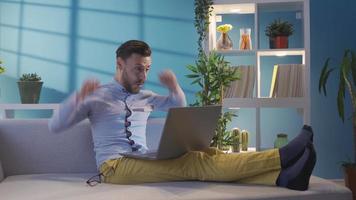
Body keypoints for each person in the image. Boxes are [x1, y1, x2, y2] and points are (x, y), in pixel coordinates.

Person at [49, 40, 316, 191]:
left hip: (142, 158)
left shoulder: (146, 96)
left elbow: (177, 105)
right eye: (138, 69)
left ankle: (284, 179)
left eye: (147, 69)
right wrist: (78, 97)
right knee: (194, 163)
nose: (144, 76)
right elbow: (56, 126)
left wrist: (174, 86)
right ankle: (280, 156)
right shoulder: (97, 96)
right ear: (119, 65)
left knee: (209, 153)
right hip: (114, 168)